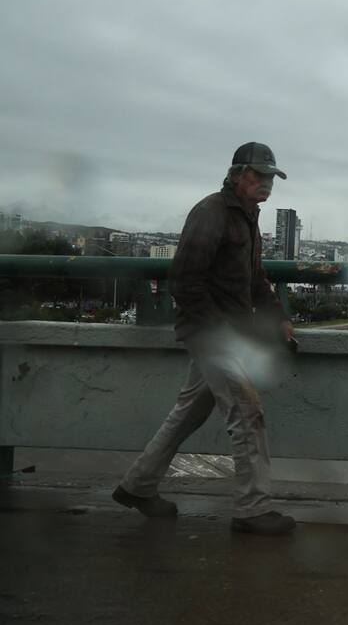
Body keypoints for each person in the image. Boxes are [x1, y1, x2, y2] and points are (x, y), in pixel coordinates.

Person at [113, 142, 299, 536]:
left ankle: (137, 486)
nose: (267, 183)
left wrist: (279, 318)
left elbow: (255, 280)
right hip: (214, 336)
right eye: (259, 175)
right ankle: (252, 508)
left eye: (271, 177)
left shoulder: (246, 216)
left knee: (187, 414)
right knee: (247, 414)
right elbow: (185, 280)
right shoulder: (211, 212)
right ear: (236, 175)